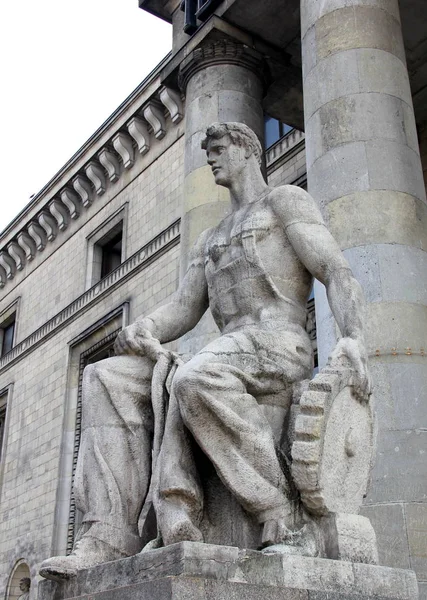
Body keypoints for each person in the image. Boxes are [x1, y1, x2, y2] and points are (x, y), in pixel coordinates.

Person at [40, 122, 370, 580]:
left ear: (247, 150)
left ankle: (283, 513)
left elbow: (334, 269)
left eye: (217, 149)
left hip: (281, 342)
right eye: (208, 151)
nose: (210, 159)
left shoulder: (284, 203)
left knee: (195, 376)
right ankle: (107, 538)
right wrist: (145, 327)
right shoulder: (208, 238)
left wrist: (352, 338)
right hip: (232, 348)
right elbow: (182, 308)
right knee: (107, 377)